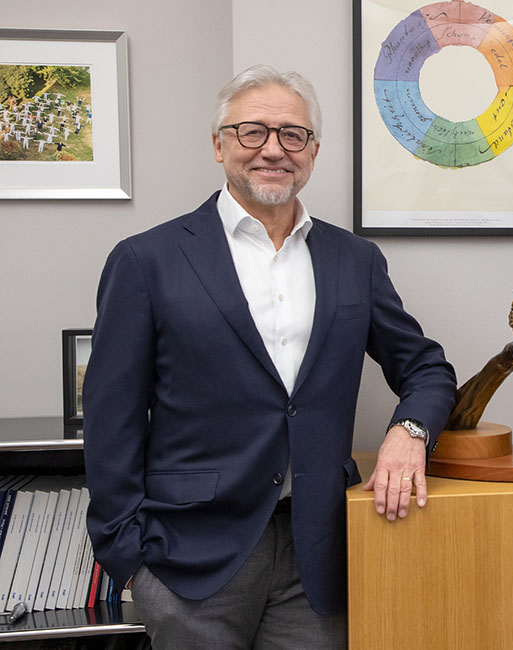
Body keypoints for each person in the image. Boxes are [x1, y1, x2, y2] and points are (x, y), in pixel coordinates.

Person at [83, 65, 457, 650]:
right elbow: (111, 419)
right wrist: (129, 557)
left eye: (292, 135)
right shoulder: (146, 260)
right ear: (219, 144)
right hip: (189, 559)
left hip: (317, 553)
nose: (273, 150)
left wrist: (410, 432)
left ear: (313, 151)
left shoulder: (353, 259)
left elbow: (426, 368)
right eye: (252, 132)